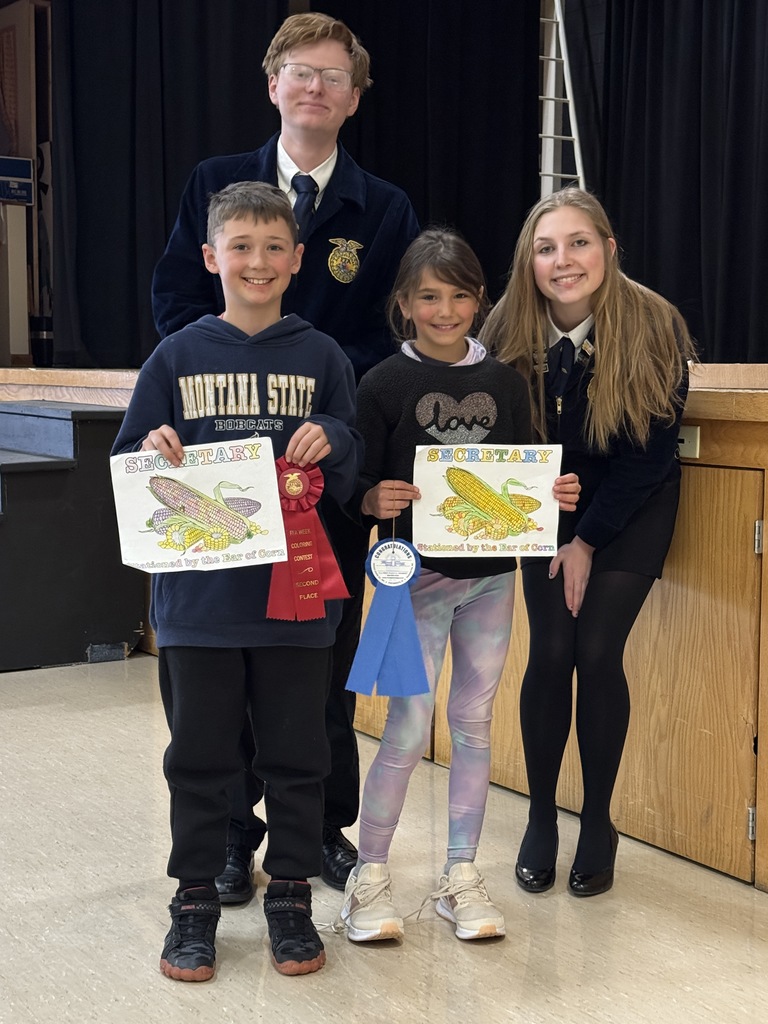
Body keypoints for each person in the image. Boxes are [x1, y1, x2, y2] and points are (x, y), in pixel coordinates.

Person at [151, 11, 420, 899]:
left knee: (318, 661)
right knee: (218, 673)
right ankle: (231, 835)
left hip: (320, 475)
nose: (314, 87)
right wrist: (232, 387)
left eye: (333, 76)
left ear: (354, 98)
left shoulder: (384, 207)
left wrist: (323, 400)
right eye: (299, 72)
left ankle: (320, 830)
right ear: (273, 84)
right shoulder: (214, 183)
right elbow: (173, 301)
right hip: (222, 466)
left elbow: (393, 334)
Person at [112, 182, 362, 979]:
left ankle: (290, 893)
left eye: (273, 248)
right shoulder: (176, 355)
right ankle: (193, 901)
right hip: (198, 607)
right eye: (240, 248)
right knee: (199, 757)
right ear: (212, 257)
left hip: (294, 601)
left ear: (295, 260)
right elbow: (129, 466)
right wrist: (151, 451)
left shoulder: (322, 357)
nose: (258, 262)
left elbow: (351, 461)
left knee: (299, 753)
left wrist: (333, 436)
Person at [337, 229, 580, 943]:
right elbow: (356, 482)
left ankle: (460, 875)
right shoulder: (382, 383)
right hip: (414, 582)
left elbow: (524, 471)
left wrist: (555, 492)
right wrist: (370, 499)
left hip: (490, 585)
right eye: (429, 297)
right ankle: (370, 874)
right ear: (405, 304)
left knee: (474, 725)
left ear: (481, 299)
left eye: (460, 295)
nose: (446, 310)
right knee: (408, 730)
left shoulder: (503, 381)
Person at [480, 187, 695, 897]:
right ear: (528, 260)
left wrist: (589, 541)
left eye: (577, 243)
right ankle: (541, 815)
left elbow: (649, 458)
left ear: (607, 249)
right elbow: (494, 438)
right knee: (551, 652)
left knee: (598, 652)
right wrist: (548, 523)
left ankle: (597, 820)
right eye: (546, 248)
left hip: (632, 506)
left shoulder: (654, 325)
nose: (562, 260)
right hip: (546, 508)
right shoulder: (505, 328)